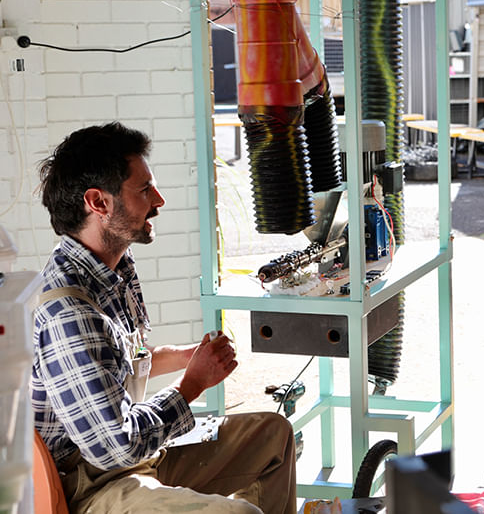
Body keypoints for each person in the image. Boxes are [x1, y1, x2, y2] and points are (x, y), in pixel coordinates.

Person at [32, 122, 296, 514]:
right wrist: (192, 384)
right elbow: (117, 447)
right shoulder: (68, 312)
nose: (159, 200)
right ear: (98, 203)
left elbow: (118, 363)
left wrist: (189, 357)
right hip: (90, 486)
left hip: (133, 458)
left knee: (274, 436)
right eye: (144, 190)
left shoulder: (113, 269)